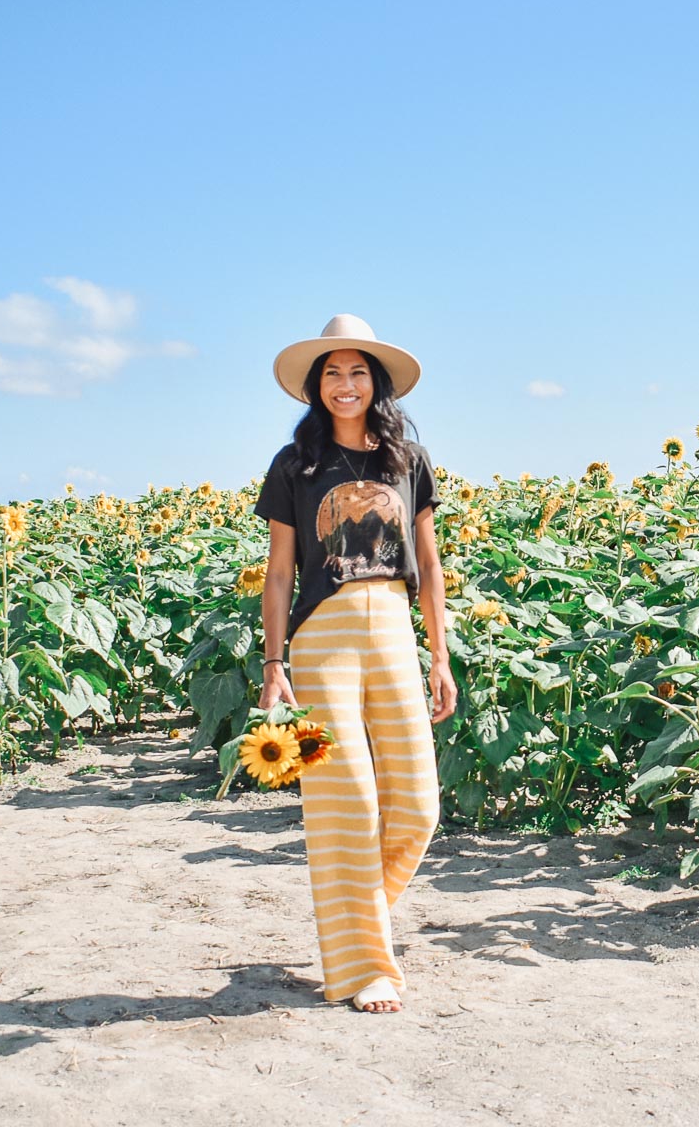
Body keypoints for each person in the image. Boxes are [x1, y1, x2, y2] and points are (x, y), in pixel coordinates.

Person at [254, 313, 458, 1014]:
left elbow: (428, 564)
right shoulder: (295, 466)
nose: (346, 384)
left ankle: (351, 922)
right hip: (319, 641)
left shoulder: (407, 460)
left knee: (418, 808)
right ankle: (366, 968)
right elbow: (280, 573)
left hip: (395, 635)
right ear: (317, 386)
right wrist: (274, 663)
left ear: (378, 384)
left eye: (357, 372)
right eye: (332, 373)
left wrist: (440, 655)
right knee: (345, 806)